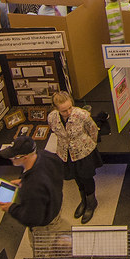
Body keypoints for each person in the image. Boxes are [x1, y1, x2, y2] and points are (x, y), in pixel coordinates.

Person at [0, 136, 66, 256]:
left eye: (14, 157)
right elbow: (52, 175)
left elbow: (32, 218)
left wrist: (10, 208)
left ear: (24, 157)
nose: (11, 159)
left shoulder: (33, 187)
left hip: (44, 227)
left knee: (44, 256)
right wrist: (23, 181)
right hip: (55, 206)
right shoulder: (47, 156)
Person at [48, 91, 101, 223]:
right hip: (66, 153)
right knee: (77, 178)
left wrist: (89, 144)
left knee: (86, 178)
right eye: (64, 110)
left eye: (70, 108)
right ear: (56, 109)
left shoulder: (82, 115)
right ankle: (83, 200)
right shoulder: (52, 117)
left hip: (83, 152)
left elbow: (93, 130)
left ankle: (91, 202)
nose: (68, 112)